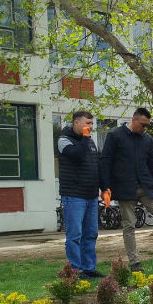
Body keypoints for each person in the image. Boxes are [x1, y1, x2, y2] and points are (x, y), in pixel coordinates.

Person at [99, 107, 153, 272]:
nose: (145, 128)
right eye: (143, 125)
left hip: (146, 187)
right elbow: (105, 162)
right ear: (133, 120)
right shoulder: (115, 135)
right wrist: (105, 188)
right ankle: (134, 262)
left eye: (147, 125)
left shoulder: (147, 139)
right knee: (129, 225)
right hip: (125, 188)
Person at [57, 110, 102, 279]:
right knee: (75, 235)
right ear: (76, 123)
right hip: (73, 195)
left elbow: (97, 165)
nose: (90, 127)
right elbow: (77, 156)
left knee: (91, 233)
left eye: (91, 123)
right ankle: (75, 270)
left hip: (91, 195)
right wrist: (84, 138)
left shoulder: (89, 141)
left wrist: (104, 187)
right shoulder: (64, 140)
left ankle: (89, 268)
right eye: (87, 123)